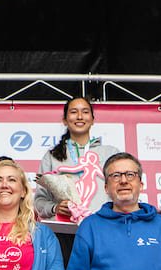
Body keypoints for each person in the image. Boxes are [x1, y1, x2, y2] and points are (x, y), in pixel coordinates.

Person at [67, 153, 161, 270]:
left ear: (141, 185)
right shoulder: (89, 226)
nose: (123, 181)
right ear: (106, 187)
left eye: (130, 175)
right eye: (116, 176)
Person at [33, 96, 120, 224]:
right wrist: (55, 208)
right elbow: (39, 201)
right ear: (65, 120)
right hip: (66, 228)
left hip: (102, 226)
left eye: (85, 112)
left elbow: (120, 191)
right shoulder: (52, 156)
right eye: (74, 112)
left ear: (92, 120)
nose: (80, 116)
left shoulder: (110, 153)